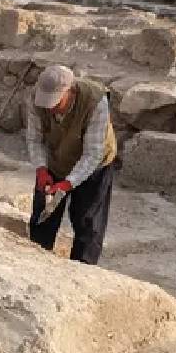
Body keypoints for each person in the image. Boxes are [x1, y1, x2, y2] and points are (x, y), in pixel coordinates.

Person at [26, 64, 117, 265]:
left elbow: (92, 154)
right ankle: (36, 262)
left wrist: (68, 184)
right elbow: (34, 139)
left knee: (87, 221)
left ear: (71, 91)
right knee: (43, 216)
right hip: (56, 158)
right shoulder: (35, 99)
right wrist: (41, 169)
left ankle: (82, 268)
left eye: (56, 102)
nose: (50, 108)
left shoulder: (95, 101)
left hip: (95, 165)